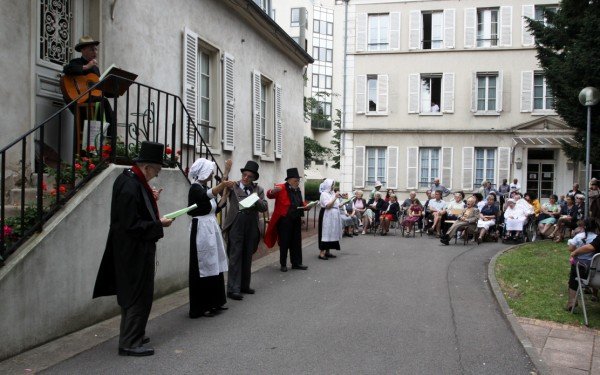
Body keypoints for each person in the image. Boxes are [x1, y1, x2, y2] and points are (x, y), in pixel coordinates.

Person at [93, 141, 173, 357]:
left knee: (134, 294)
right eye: (156, 170)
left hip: (131, 250)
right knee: (138, 295)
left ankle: (134, 334)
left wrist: (151, 198)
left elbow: (135, 210)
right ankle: (130, 342)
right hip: (133, 251)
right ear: (147, 167)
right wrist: (159, 224)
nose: (156, 175)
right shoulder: (131, 184)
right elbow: (131, 225)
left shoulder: (131, 180)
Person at [187, 158, 235, 317]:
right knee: (203, 265)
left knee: (214, 264)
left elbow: (217, 205)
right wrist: (224, 181)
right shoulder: (195, 189)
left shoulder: (204, 187)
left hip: (210, 227)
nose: (212, 174)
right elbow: (208, 194)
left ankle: (216, 301)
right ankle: (202, 305)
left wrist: (225, 189)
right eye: (210, 171)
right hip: (201, 229)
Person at [222, 160, 268, 301]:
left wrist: (255, 200)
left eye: (249, 176)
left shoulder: (258, 189)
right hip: (236, 223)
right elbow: (222, 188)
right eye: (244, 175)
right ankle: (232, 289)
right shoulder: (233, 186)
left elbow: (264, 206)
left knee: (247, 254)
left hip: (251, 225)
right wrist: (226, 171)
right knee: (235, 255)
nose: (246, 178)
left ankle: (244, 285)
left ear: (254, 178)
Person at [63, 36, 116, 143]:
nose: (95, 51)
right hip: (78, 100)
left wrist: (114, 83)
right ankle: (108, 139)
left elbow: (99, 89)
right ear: (83, 50)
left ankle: (109, 139)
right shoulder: (76, 62)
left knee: (107, 107)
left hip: (93, 101)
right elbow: (67, 69)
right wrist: (86, 67)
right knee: (103, 102)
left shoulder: (95, 69)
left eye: (96, 49)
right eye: (92, 49)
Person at [265, 168, 309, 272]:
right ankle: (283, 264)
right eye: (295, 180)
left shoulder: (297, 189)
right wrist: (272, 191)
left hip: (296, 218)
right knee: (284, 242)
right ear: (289, 180)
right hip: (284, 220)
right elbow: (269, 194)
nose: (297, 182)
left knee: (296, 242)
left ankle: (296, 263)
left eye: (298, 180)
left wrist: (307, 206)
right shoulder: (281, 187)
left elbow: (300, 203)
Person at [565, 220, 598, 311]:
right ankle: (595, 295)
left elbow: (571, 248)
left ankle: (572, 301)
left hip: (582, 268)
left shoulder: (579, 236)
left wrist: (576, 251)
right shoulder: (596, 237)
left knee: (574, 276)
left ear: (583, 227)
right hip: (596, 272)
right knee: (596, 269)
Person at [318, 179, 342, 259]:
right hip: (326, 215)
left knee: (331, 232)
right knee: (325, 232)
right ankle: (322, 253)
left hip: (333, 216)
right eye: (332, 185)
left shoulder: (332, 193)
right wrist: (335, 197)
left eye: (333, 185)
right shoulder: (324, 194)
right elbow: (328, 206)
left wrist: (344, 200)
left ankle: (327, 252)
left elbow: (337, 204)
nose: (333, 187)